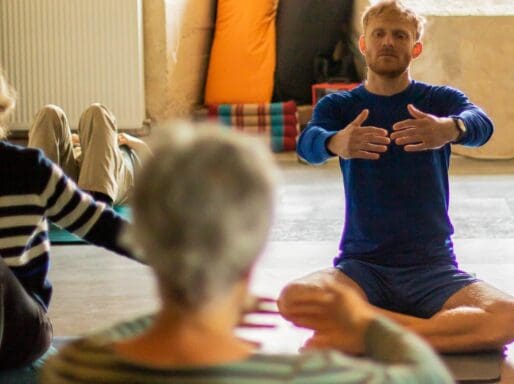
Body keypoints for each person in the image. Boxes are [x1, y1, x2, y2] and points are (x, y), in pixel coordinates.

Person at [40, 122, 454, 384]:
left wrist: (186, 315)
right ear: (256, 243)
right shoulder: (307, 376)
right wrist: (366, 325)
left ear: (143, 233)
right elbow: (429, 375)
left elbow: (117, 343)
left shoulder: (76, 368)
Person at [279, 0, 514, 354]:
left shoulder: (439, 100)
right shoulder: (340, 105)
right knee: (295, 298)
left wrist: (450, 128)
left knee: (513, 317)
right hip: (362, 268)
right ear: (364, 45)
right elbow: (307, 143)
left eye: (399, 36)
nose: (388, 42)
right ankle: (431, 334)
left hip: (433, 268)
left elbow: (482, 123)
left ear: (415, 49)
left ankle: (372, 333)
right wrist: (337, 141)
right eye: (379, 34)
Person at [0, 69, 133, 370]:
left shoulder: (27, 169)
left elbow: (102, 225)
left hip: (22, 329)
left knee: (97, 114)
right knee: (51, 115)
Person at [27, 104, 149, 206]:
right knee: (49, 112)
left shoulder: (131, 156)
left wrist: (135, 142)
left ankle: (96, 204)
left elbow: (158, 166)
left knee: (98, 111)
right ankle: (37, 198)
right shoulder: (90, 140)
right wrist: (76, 140)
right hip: (74, 174)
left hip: (106, 179)